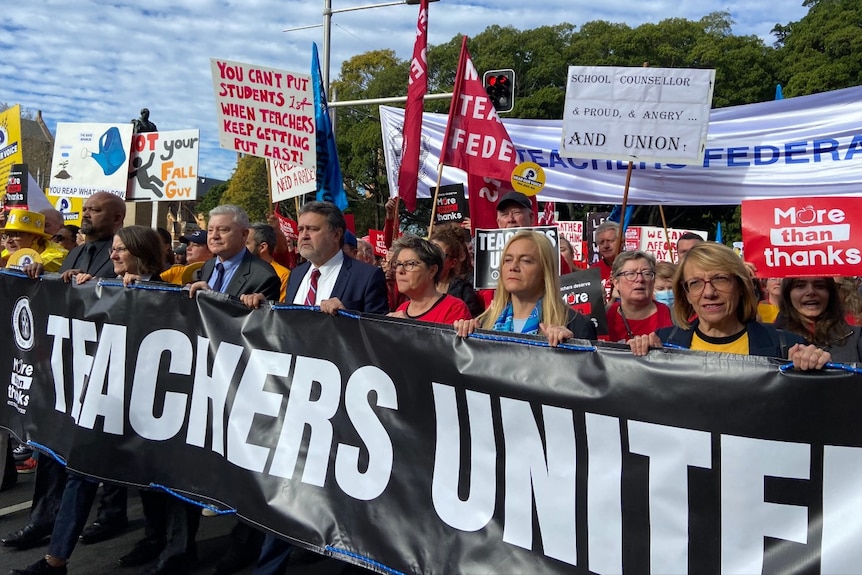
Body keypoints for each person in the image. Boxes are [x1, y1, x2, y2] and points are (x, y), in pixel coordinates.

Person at [11, 226, 167, 575]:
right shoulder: (100, 286)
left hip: (147, 411)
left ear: (141, 253)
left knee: (152, 486)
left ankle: (160, 543)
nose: (113, 255)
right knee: (80, 473)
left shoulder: (167, 291)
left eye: (121, 249)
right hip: (103, 402)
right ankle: (56, 559)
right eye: (112, 248)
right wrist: (72, 285)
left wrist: (145, 292)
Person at [250, 201, 388, 575]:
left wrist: (349, 319)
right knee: (285, 483)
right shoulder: (295, 277)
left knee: (333, 490)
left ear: (335, 234)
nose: (303, 235)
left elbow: (382, 341)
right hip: (293, 395)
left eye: (312, 229)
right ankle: (269, 565)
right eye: (302, 228)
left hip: (339, 403)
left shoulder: (364, 277)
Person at [3, 192, 129, 554]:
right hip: (67, 364)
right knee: (53, 444)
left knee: (103, 447)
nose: (86, 214)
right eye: (85, 209)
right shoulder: (75, 251)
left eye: (96, 209)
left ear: (118, 217)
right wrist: (42, 276)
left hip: (107, 364)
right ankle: (43, 518)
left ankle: (112, 513)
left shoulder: (120, 251)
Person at [627, 242, 832, 370]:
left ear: (740, 286)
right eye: (696, 283)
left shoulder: (786, 347)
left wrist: (815, 366)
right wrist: (631, 360)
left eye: (721, 279)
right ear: (686, 295)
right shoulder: (662, 343)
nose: (709, 292)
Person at [454, 231, 596, 345]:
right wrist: (464, 337)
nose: (513, 267)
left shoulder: (576, 326)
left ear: (544, 270)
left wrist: (572, 349)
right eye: (508, 260)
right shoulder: (483, 324)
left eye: (526, 261)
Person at [188, 205, 281, 302]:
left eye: (223, 230)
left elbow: (254, 317)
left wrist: (210, 299)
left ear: (244, 234)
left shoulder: (264, 276)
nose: (214, 236)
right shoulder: (208, 266)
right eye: (210, 230)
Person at [776, 277, 862, 364]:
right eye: (800, 286)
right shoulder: (774, 342)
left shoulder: (856, 337)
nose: (811, 292)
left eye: (819, 286)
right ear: (787, 294)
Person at [387, 236, 472, 324]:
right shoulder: (402, 309)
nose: (400, 270)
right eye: (397, 264)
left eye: (410, 264)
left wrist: (409, 327)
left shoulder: (454, 309)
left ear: (432, 271)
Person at [605, 251, 673, 342]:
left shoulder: (673, 317)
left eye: (646, 273)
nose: (640, 279)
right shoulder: (605, 316)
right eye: (630, 274)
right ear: (616, 283)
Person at [429, 222, 484, 317]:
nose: (433, 259)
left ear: (453, 262)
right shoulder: (419, 286)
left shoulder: (463, 290)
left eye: (440, 255)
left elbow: (474, 321)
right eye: (429, 253)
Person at [0, 208, 67, 272]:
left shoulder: (57, 255)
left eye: (16, 235)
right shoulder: (8, 251)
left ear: (36, 237)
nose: (8, 241)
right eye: (6, 236)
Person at [247, 222, 290, 301]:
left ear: (262, 247)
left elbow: (279, 310)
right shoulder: (239, 269)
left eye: (246, 243)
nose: (242, 248)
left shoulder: (283, 275)